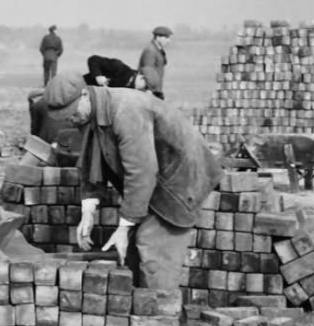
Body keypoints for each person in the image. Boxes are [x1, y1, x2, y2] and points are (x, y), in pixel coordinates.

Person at [41, 72, 221, 308]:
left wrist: (124, 227)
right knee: (134, 250)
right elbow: (90, 161)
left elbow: (142, 172)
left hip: (182, 179)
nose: (71, 120)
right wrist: (88, 210)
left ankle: (161, 320)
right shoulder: (93, 112)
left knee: (152, 244)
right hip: (156, 178)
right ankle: (139, 316)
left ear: (84, 94)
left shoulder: (126, 111)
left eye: (73, 113)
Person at [139, 26, 171, 99]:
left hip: (156, 90)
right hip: (151, 91)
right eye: (166, 37)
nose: (169, 40)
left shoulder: (158, 49)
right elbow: (147, 70)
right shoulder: (150, 50)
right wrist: (149, 90)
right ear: (158, 37)